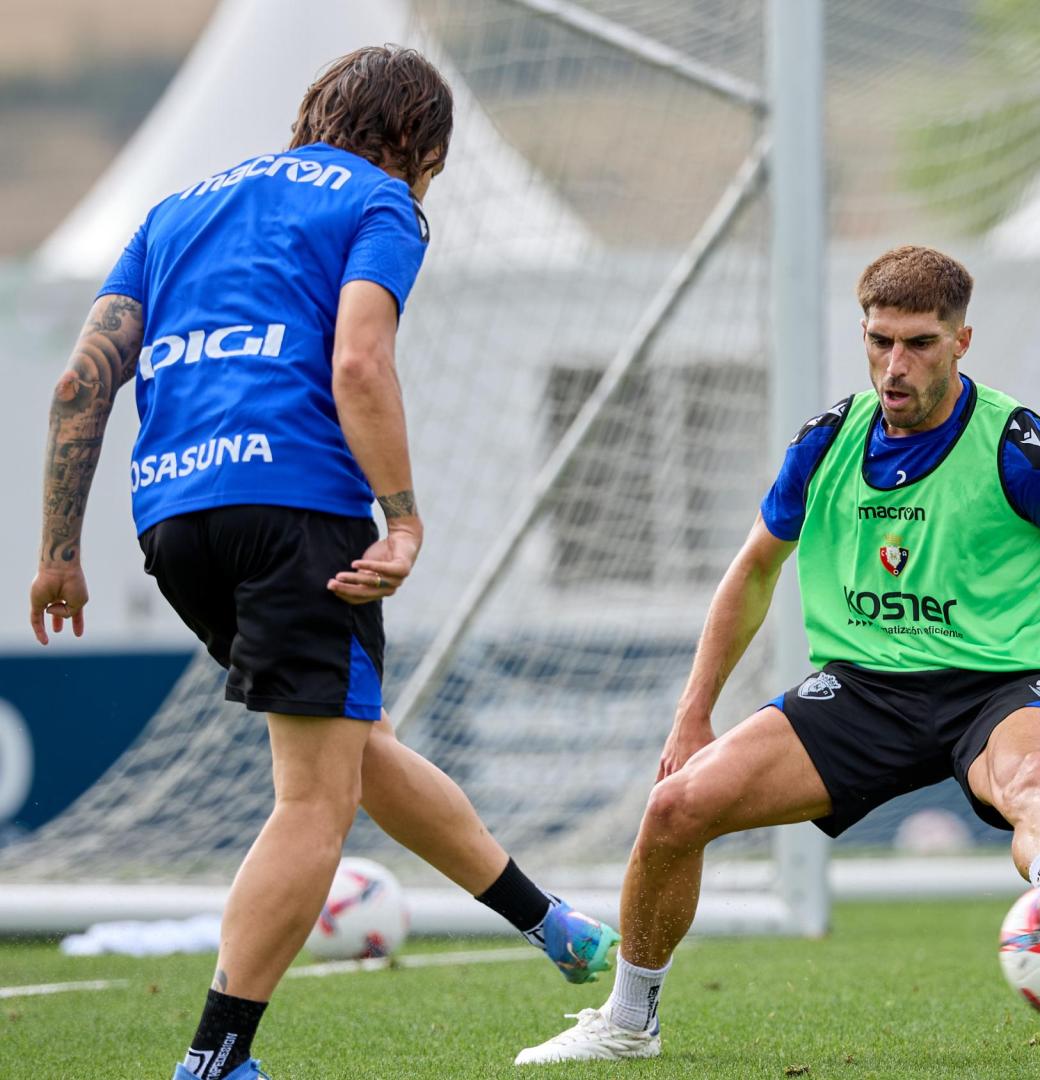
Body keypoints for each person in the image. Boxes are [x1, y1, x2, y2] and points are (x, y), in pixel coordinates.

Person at [27, 46, 618, 1080]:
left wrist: (58, 553)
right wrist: (403, 520)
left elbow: (82, 383)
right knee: (315, 797)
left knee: (351, 741)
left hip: (173, 521)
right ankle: (215, 1058)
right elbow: (357, 359)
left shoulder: (177, 211)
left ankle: (551, 926)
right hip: (298, 511)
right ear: (424, 145)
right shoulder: (382, 203)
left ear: (314, 112)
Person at [514, 244, 1040, 1064]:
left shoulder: (1021, 447)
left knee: (1035, 789)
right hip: (862, 692)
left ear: (962, 342)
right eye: (880, 340)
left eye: (919, 343)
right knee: (674, 809)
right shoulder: (827, 442)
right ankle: (629, 1022)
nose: (896, 364)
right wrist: (693, 711)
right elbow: (753, 571)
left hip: (1002, 688)